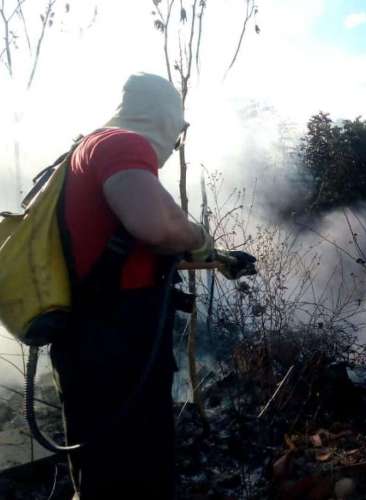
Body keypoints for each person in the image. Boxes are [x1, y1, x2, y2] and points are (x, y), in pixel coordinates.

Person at [50, 73, 253, 499]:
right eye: (178, 131)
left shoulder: (94, 149)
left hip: (95, 339)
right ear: (164, 117)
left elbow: (133, 247)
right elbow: (153, 226)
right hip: (114, 345)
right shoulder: (123, 144)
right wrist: (199, 236)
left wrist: (224, 260)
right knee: (131, 470)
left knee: (104, 471)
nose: (174, 144)